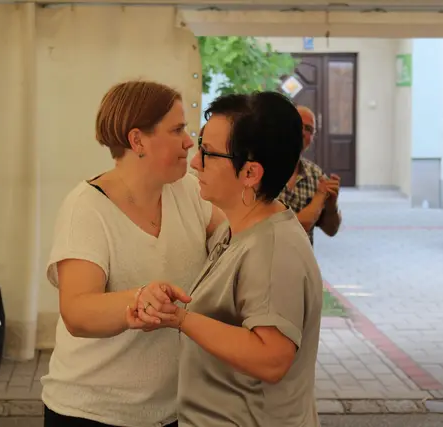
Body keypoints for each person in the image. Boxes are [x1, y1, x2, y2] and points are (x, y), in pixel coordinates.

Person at [128, 91, 324, 427]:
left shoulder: (273, 249)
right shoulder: (235, 229)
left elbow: (271, 358)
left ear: (250, 173)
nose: (195, 162)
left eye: (208, 153)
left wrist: (180, 319)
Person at [41, 80, 225, 427]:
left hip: (172, 410)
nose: (189, 141)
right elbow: (77, 311)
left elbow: (235, 240)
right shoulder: (86, 208)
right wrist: (139, 300)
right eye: (177, 130)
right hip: (92, 414)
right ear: (137, 140)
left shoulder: (186, 191)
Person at [279, 105, 342, 246]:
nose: (302, 132)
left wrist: (331, 206)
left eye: (308, 129)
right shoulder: (260, 172)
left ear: (312, 138)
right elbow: (294, 227)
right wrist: (320, 196)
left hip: (303, 259)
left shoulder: (316, 175)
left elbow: (331, 230)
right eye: (297, 125)